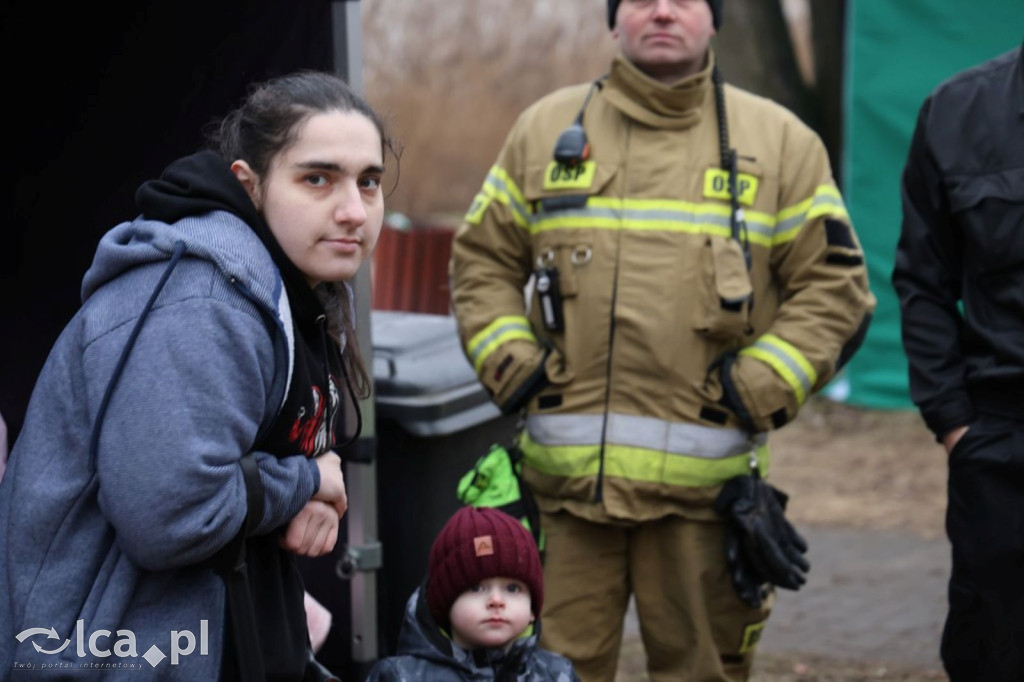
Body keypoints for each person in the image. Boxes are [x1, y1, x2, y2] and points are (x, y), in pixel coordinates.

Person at [449, 1, 876, 679]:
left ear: (714, 18)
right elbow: (482, 262)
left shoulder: (781, 143)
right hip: (564, 501)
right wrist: (511, 361)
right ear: (614, 19)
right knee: (545, 672)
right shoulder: (544, 131)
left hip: (703, 508)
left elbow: (836, 288)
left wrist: (762, 385)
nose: (663, 11)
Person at [0, 71, 392, 680]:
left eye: (368, 182)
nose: (353, 211)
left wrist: (314, 478)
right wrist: (306, 480)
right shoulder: (203, 301)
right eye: (317, 178)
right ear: (250, 184)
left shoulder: (294, 289)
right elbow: (172, 516)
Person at [892, 45, 1024, 681]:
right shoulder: (958, 111)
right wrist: (955, 424)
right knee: (995, 653)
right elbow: (923, 280)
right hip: (1003, 451)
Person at [365, 506, 579, 682]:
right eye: (476, 588)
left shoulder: (557, 675)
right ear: (446, 603)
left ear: (532, 609)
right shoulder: (400, 677)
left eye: (513, 588)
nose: (496, 601)